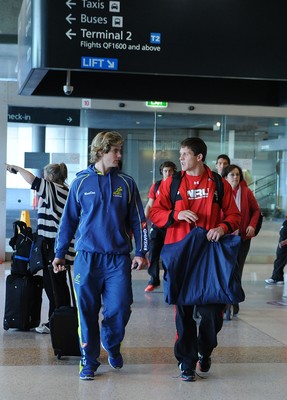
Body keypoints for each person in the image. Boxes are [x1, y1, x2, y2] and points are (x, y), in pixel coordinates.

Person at [52, 131, 149, 380]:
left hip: (118, 259)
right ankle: (89, 360)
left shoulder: (126, 183)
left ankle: (111, 343)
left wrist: (141, 251)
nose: (119, 155)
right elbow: (68, 221)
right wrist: (59, 253)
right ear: (100, 152)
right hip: (87, 258)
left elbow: (139, 221)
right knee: (86, 311)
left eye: (120, 150)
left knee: (120, 308)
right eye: (115, 150)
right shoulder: (81, 182)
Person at [149, 137, 241, 382]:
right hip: (181, 254)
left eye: (185, 154)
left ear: (199, 157)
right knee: (184, 313)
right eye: (180, 154)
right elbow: (155, 213)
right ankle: (187, 362)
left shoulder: (219, 184)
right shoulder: (172, 183)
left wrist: (222, 227)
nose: (181, 158)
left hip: (209, 257)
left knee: (212, 313)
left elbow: (234, 215)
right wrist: (176, 213)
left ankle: (205, 349)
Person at [6, 162, 73, 334]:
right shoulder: (64, 190)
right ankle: (57, 319)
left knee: (54, 285)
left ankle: (58, 321)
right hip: (54, 244)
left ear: (50, 177)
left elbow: (31, 180)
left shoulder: (54, 189)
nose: (43, 178)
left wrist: (16, 168)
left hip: (53, 245)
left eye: (45, 175)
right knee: (55, 283)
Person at [221, 164, 261, 314]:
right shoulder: (221, 192)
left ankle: (234, 302)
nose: (235, 177)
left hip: (242, 238)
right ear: (225, 177)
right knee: (226, 270)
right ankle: (223, 300)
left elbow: (256, 210)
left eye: (237, 174)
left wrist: (252, 225)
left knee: (237, 270)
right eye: (232, 174)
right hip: (224, 239)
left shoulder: (246, 192)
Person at [144, 161, 177, 292]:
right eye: (165, 171)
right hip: (157, 225)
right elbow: (150, 204)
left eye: (170, 171)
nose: (168, 173)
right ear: (161, 172)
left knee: (169, 256)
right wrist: (143, 220)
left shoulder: (176, 186)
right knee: (153, 252)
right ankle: (154, 279)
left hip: (171, 225)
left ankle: (169, 281)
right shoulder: (156, 186)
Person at [265, 219, 287, 285]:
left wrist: (285, 241)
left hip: (284, 244)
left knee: (279, 262)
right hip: (282, 245)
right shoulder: (285, 222)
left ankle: (276, 278)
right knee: (279, 261)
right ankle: (278, 278)